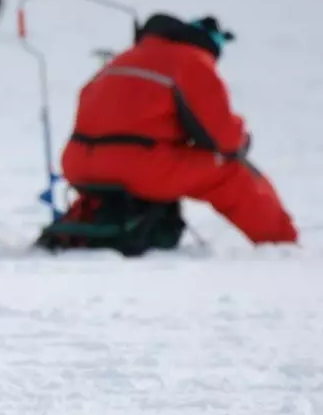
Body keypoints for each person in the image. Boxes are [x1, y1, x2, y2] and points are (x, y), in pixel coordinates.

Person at [59, 13, 298, 246]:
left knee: (133, 168)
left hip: (79, 165)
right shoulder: (191, 60)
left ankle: (82, 227)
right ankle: (280, 242)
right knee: (229, 170)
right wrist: (241, 140)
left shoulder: (122, 59)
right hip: (137, 168)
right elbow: (223, 138)